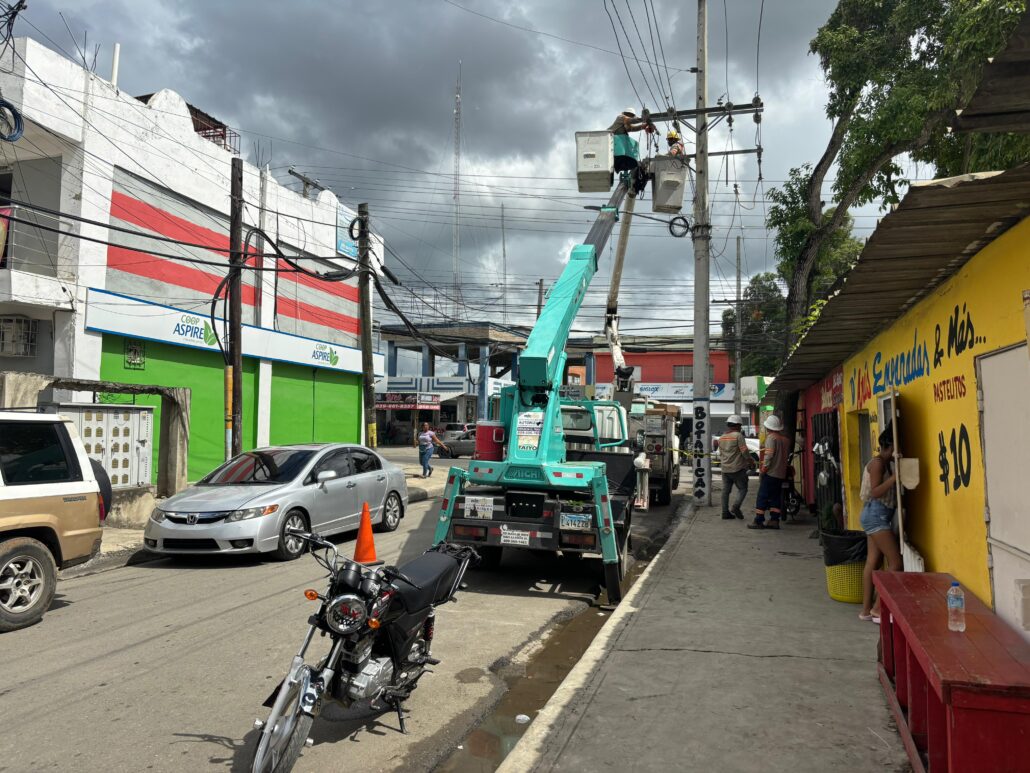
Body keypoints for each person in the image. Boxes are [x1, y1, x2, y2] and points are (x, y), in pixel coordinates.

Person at [859, 425, 901, 623]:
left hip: (872, 514)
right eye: (895, 448)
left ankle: (866, 610)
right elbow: (876, 491)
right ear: (888, 447)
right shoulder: (878, 464)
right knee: (896, 563)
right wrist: (894, 478)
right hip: (876, 515)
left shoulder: (884, 462)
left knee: (873, 562)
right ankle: (877, 609)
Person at [748, 414, 791, 530]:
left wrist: (763, 469)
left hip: (771, 473)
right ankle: (774, 520)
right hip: (781, 474)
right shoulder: (785, 440)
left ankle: (759, 521)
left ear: (769, 428)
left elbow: (769, 455)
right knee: (775, 497)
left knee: (762, 496)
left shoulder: (771, 438)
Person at [718, 415, 755, 520]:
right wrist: (750, 461)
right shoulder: (738, 436)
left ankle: (725, 512)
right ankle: (735, 507)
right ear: (738, 425)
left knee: (725, 491)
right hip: (737, 468)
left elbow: (721, 453)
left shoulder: (722, 437)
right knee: (743, 488)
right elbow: (744, 451)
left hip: (725, 469)